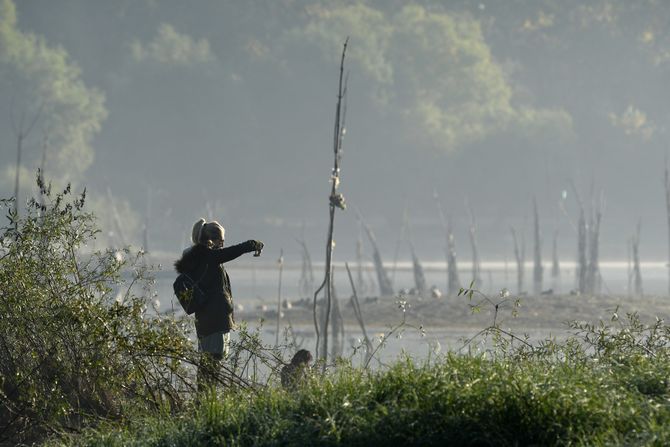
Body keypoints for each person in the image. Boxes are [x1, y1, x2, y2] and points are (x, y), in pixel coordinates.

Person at [174, 218, 263, 392]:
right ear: (211, 240)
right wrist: (253, 244)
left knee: (209, 362)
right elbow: (232, 252)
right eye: (221, 240)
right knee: (212, 362)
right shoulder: (207, 257)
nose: (222, 244)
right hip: (214, 320)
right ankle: (206, 400)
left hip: (207, 320)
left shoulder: (199, 258)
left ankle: (205, 398)